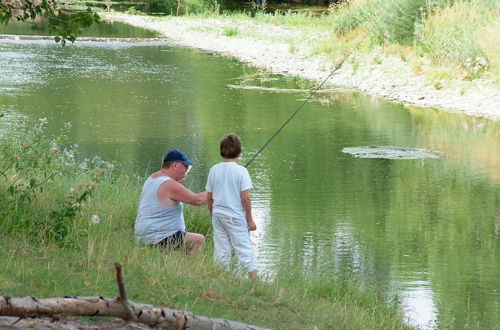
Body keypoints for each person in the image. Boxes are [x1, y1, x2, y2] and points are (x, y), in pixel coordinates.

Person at [135, 149, 207, 255]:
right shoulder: (169, 184)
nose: (186, 171)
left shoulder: (153, 177)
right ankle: (190, 269)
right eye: (186, 166)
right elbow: (197, 200)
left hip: (145, 235)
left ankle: (179, 265)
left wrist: (176, 181)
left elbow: (166, 194)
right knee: (198, 240)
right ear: (175, 165)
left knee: (186, 239)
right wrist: (217, 189)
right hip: (158, 237)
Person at [206, 133, 258, 280]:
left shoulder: (214, 170)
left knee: (221, 250)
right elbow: (245, 198)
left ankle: (221, 280)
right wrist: (250, 220)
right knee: (244, 250)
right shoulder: (241, 171)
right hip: (235, 216)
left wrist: (212, 214)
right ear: (239, 152)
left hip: (218, 214)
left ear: (221, 151)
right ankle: (256, 283)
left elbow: (209, 197)